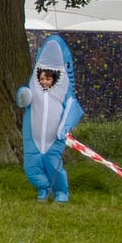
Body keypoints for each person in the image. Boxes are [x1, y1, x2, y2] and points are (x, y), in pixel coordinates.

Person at [17, 35, 83, 203]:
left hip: (54, 138)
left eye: (48, 78)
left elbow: (73, 108)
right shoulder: (34, 89)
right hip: (33, 138)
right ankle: (44, 188)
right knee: (32, 167)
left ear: (55, 78)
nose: (44, 81)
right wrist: (23, 95)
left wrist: (64, 127)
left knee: (54, 167)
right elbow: (23, 99)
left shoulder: (63, 93)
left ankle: (62, 192)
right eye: (42, 78)